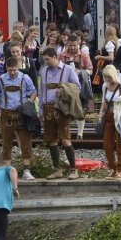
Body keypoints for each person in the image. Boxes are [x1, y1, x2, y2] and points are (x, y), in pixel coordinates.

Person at [0, 57, 37, 177]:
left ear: (18, 67)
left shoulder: (25, 78)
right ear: (6, 68)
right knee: (6, 143)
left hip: (22, 114)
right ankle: (8, 171)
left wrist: (29, 102)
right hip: (6, 114)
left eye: (14, 70)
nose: (12, 72)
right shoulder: (0, 80)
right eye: (10, 70)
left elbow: (33, 92)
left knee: (26, 142)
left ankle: (26, 170)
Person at [39, 47, 81, 181]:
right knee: (51, 140)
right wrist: (40, 111)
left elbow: (77, 87)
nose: (46, 62)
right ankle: (57, 170)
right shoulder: (44, 71)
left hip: (62, 108)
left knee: (65, 138)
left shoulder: (68, 70)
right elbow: (42, 91)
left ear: (54, 57)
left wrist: (64, 91)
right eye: (44, 60)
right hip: (48, 108)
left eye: (47, 59)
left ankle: (73, 170)